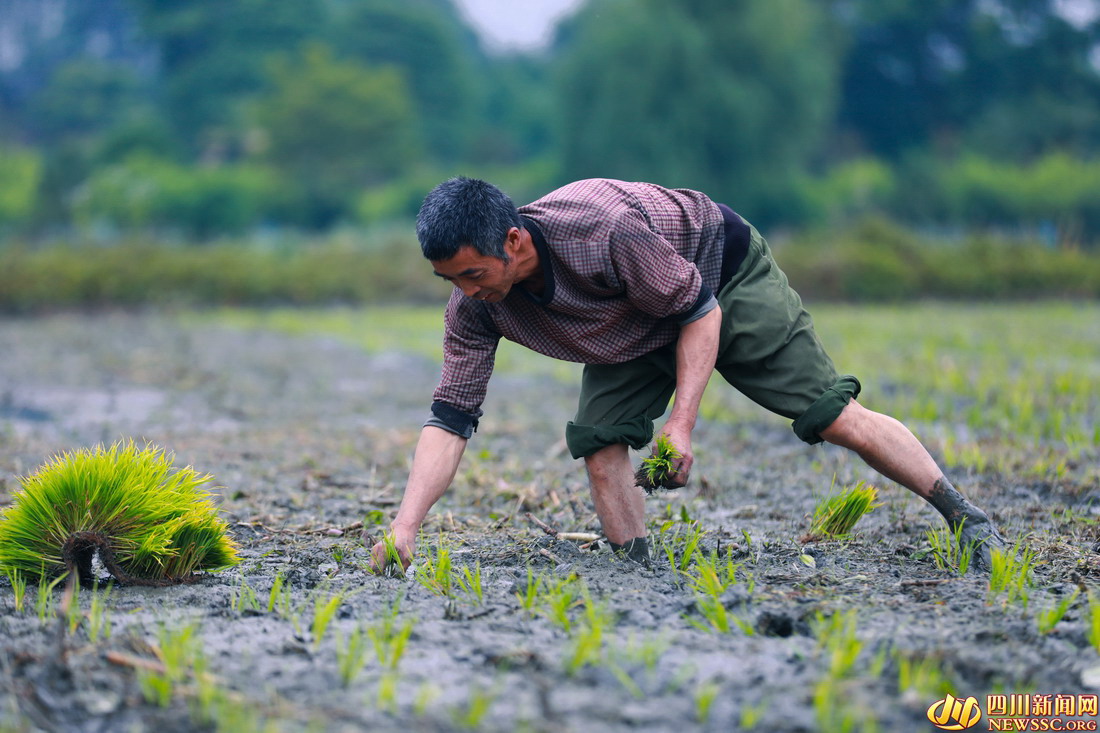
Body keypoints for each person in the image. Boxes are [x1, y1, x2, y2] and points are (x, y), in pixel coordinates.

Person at [368, 177, 1005, 571]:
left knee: (830, 416)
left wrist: (682, 424)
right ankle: (636, 569)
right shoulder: (473, 309)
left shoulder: (604, 229)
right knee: (600, 441)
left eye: (471, 275)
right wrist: (406, 526)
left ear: (513, 242)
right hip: (630, 318)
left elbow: (698, 311)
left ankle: (963, 514)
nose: (464, 293)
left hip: (717, 275)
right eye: (449, 280)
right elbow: (450, 420)